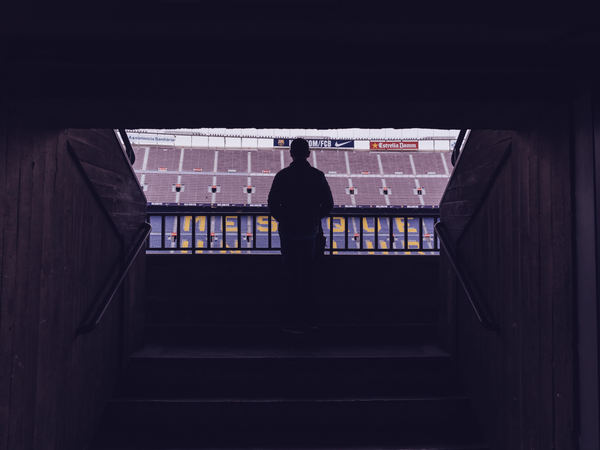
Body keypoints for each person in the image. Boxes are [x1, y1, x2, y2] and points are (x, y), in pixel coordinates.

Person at [268, 138, 334, 334]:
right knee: (309, 277)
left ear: (291, 154)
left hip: (288, 233)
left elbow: (272, 204)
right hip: (309, 234)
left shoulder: (283, 176)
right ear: (308, 154)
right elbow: (328, 204)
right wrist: (313, 219)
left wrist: (285, 220)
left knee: (292, 277)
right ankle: (310, 321)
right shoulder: (317, 176)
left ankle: (292, 322)